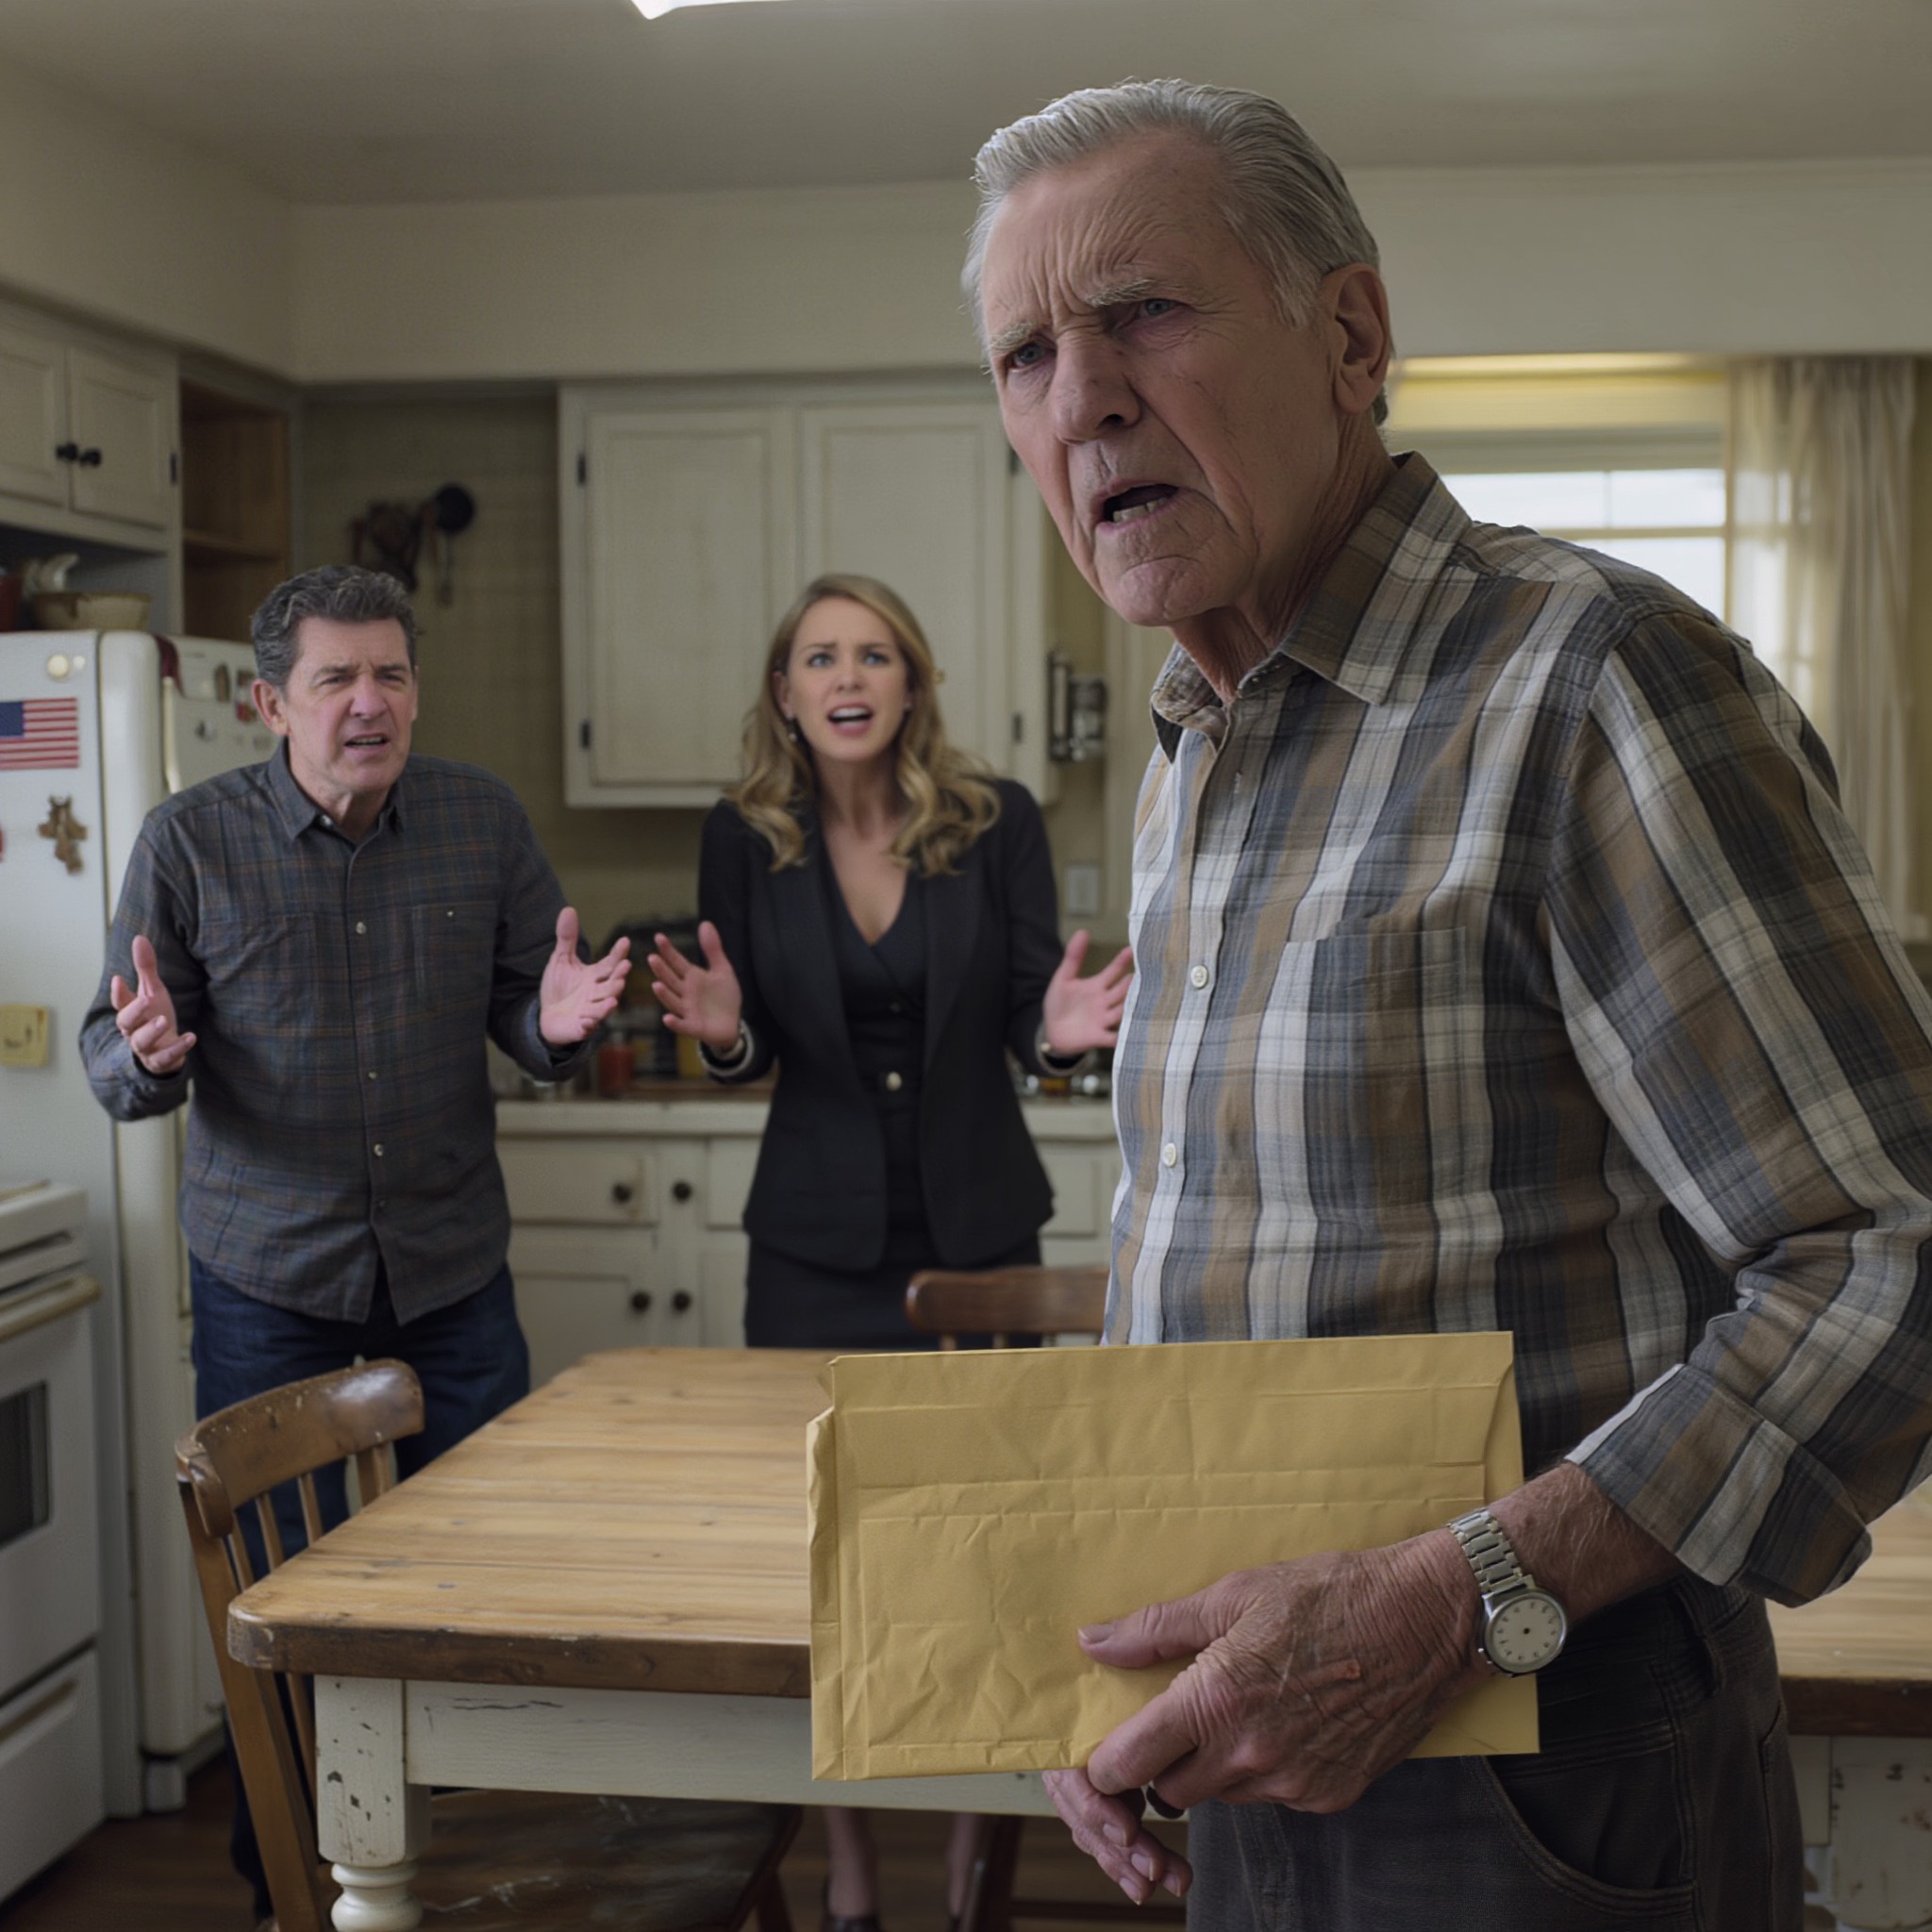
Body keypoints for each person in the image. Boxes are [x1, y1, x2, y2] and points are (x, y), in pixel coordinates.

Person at [963, 79, 1932, 1931]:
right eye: (1024, 355)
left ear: (1351, 338)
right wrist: (1102, 1638)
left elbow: (1890, 1250)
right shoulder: (1190, 750)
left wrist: (1450, 1599)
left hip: (1544, 1769)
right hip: (1256, 1740)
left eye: (1142, 313)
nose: (1079, 398)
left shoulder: (1596, 685)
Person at [79, 562, 629, 1922]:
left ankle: (457, 1874)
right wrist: (145, 1056)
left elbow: (530, 1009)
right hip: (271, 1290)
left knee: (481, 1594)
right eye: (336, 679)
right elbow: (114, 1055)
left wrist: (554, 1028)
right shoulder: (190, 842)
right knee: (287, 1611)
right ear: (273, 703)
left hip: (453, 1282)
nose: (369, 702)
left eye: (390, 673)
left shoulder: (481, 821)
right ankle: (286, 1884)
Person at [649, 572, 1131, 1928]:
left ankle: (977, 1859)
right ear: (786, 693)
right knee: (833, 1565)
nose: (847, 678)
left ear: (913, 685)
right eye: (820, 658)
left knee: (994, 1551)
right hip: (812, 1246)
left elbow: (1030, 1013)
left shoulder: (995, 820)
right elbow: (745, 1035)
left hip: (978, 1232)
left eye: (873, 655)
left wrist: (1060, 1037)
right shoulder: (744, 838)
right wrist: (726, 1033)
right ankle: (852, 1868)